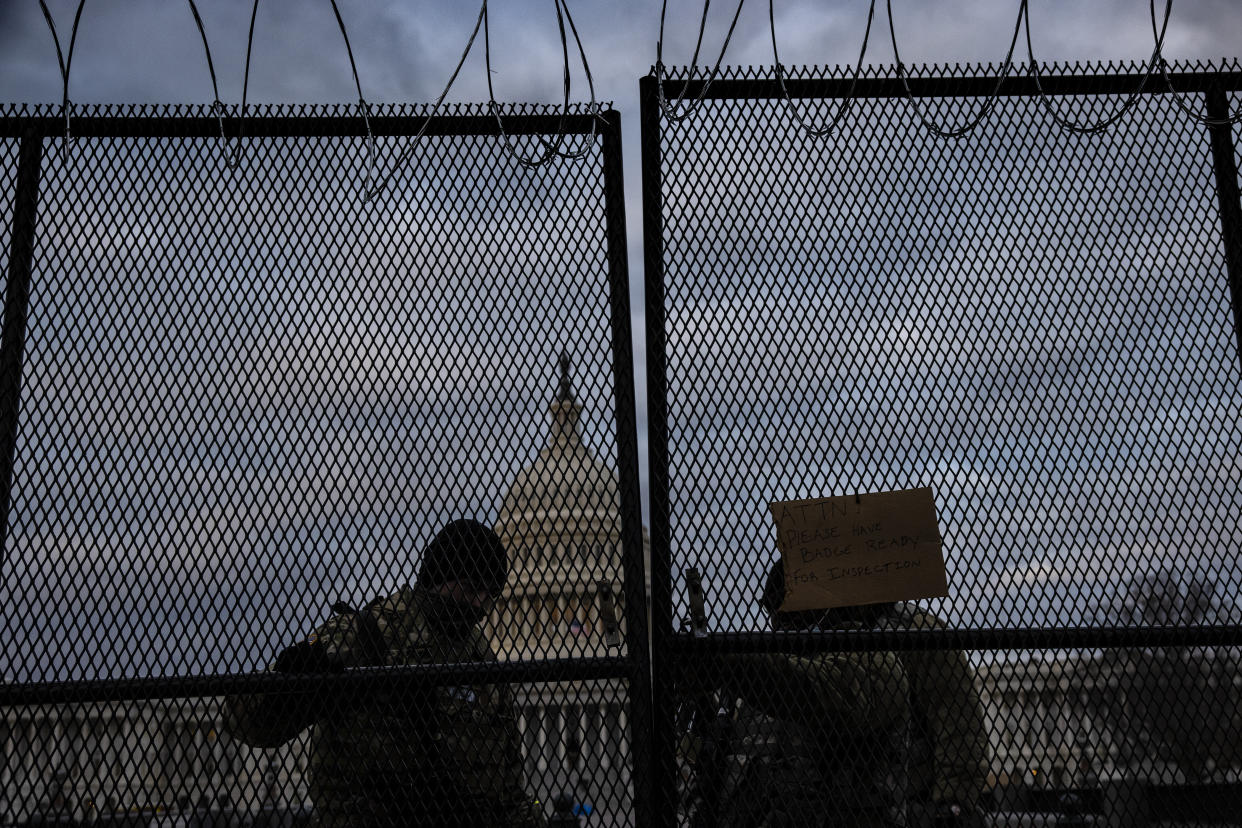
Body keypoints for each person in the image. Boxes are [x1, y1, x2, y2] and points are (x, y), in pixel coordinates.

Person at [224, 519, 543, 828]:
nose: (480, 606)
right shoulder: (367, 634)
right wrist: (288, 692)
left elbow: (509, 787)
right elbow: (243, 722)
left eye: (490, 595)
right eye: (472, 590)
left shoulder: (481, 656)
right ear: (440, 576)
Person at [679, 560, 912, 828]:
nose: (778, 625)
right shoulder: (760, 686)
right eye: (773, 614)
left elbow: (816, 689)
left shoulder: (877, 661)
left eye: (790, 614)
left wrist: (727, 664)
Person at [881, 602, 990, 828]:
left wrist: (951, 805)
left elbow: (960, 723)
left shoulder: (918, 630)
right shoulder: (916, 627)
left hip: (908, 803)